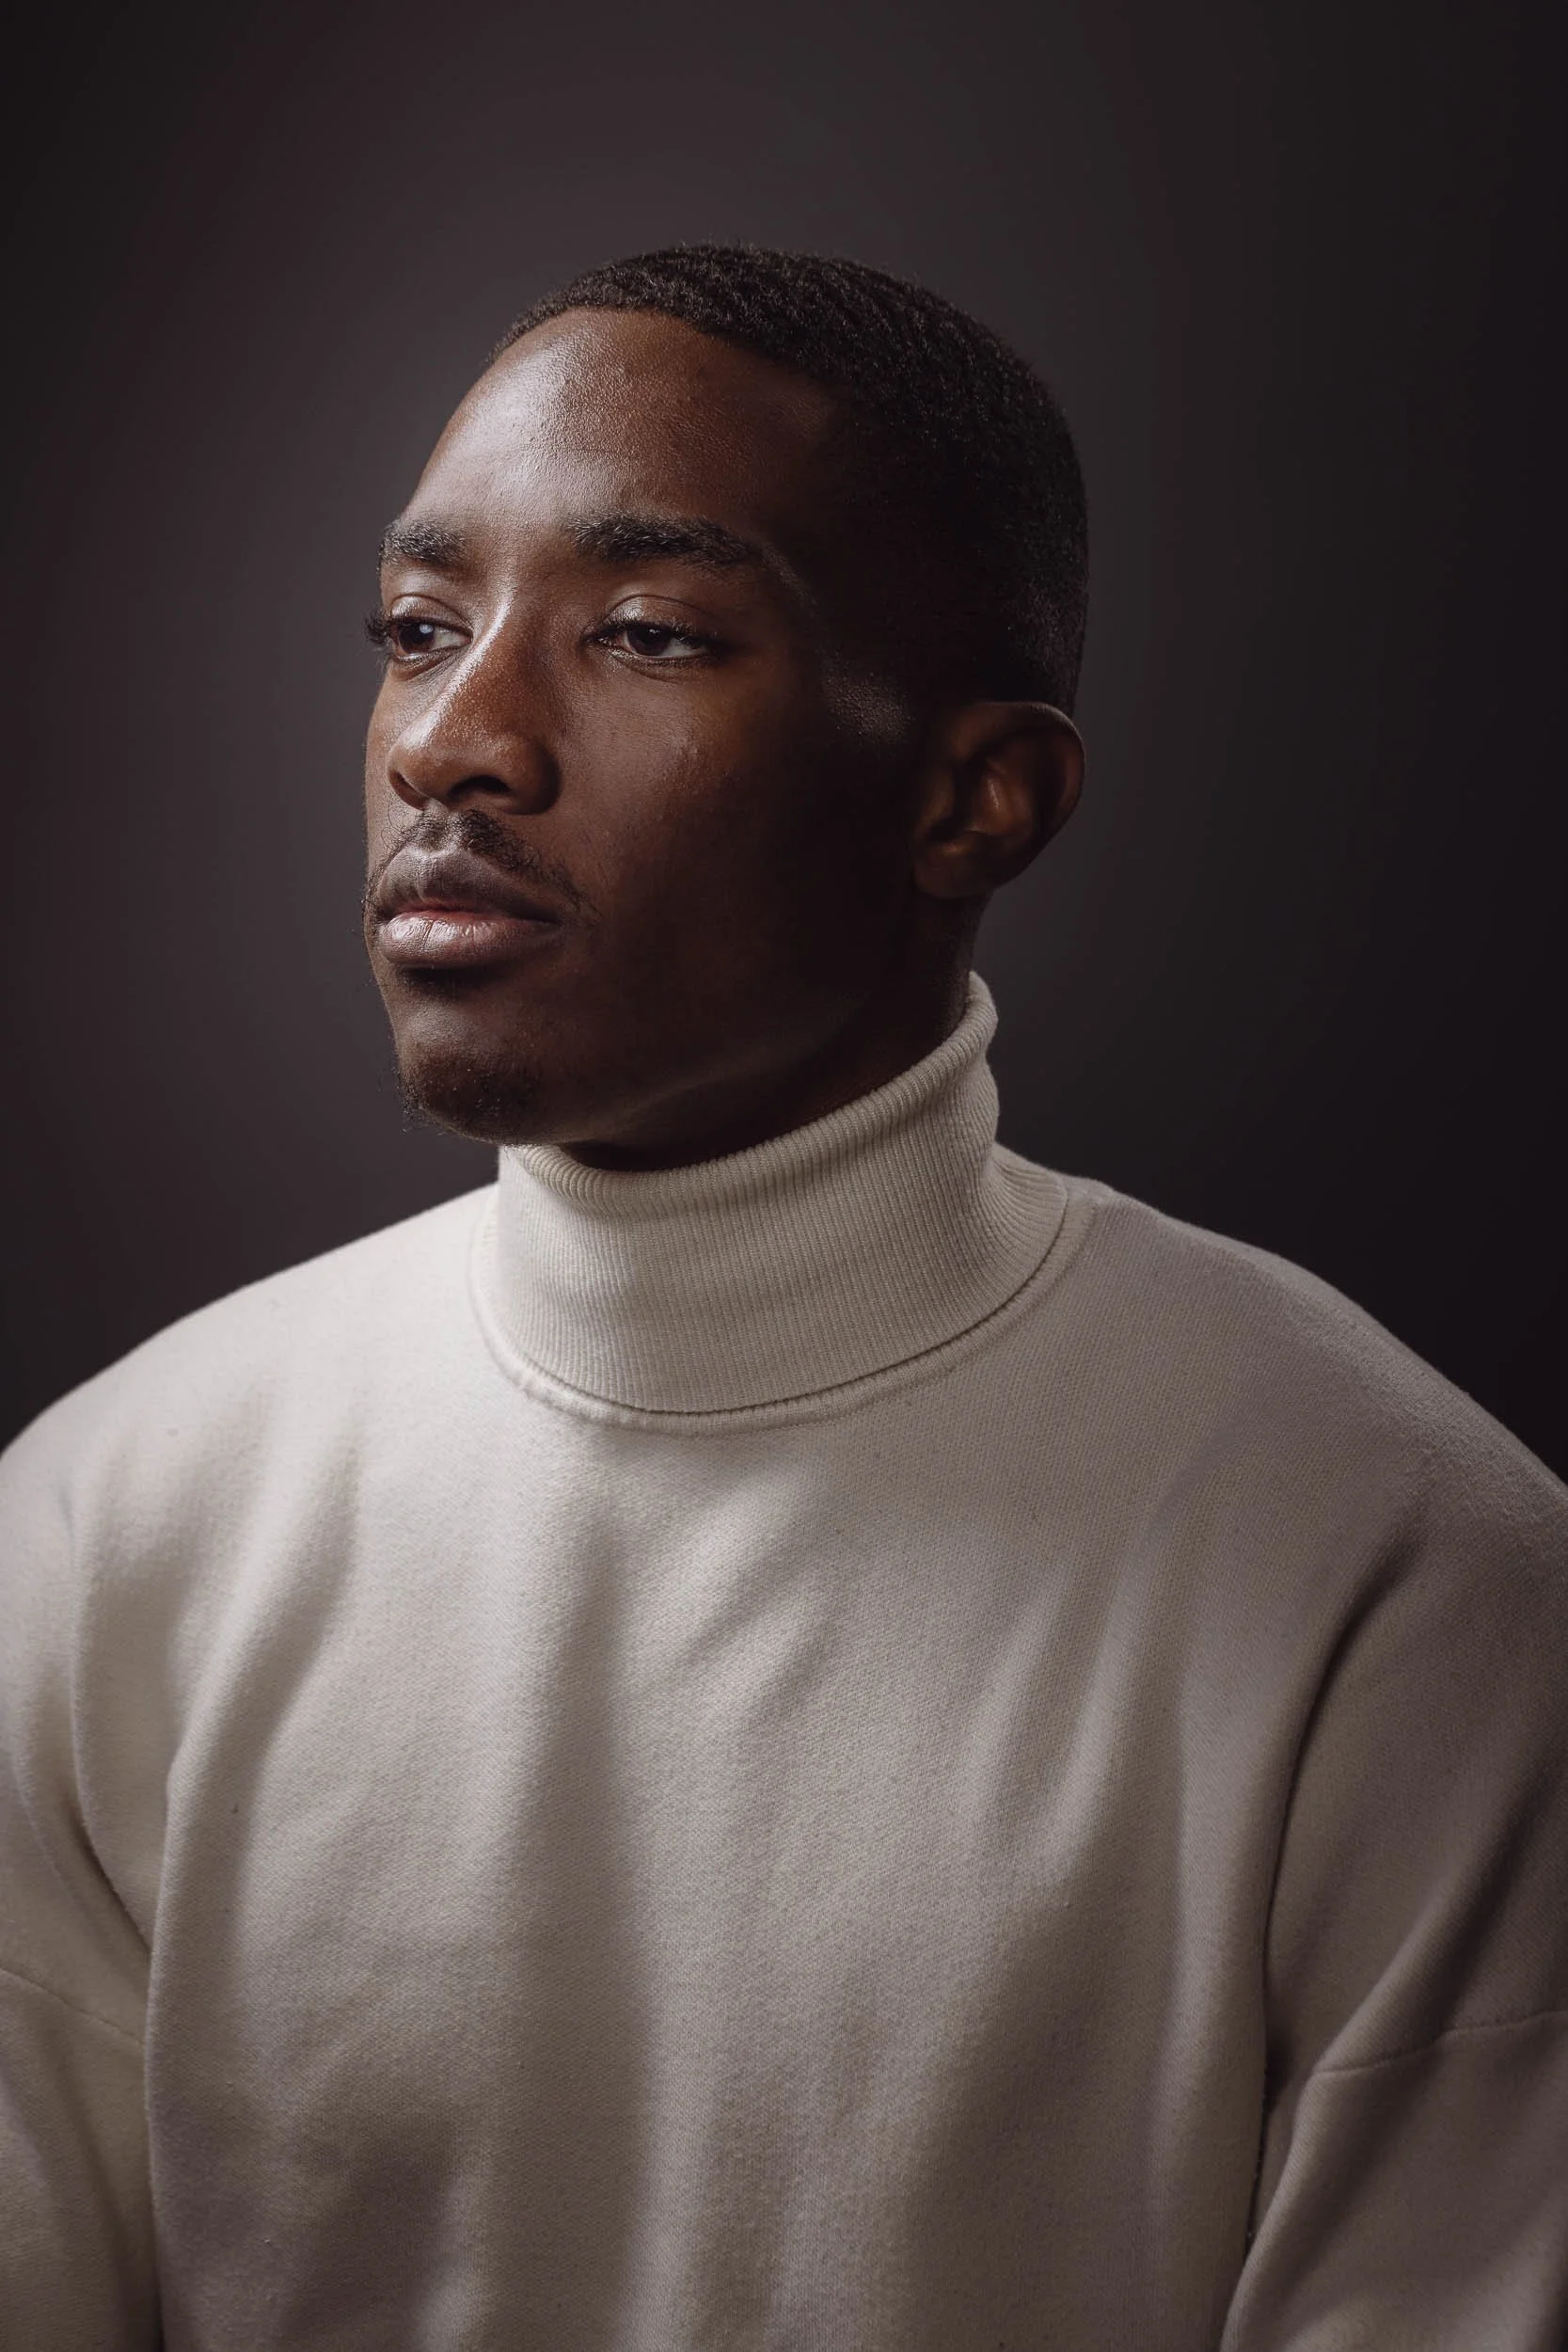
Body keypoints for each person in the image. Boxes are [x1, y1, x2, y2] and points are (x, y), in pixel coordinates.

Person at [1, 245, 1563, 2352]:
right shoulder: (104, 1526)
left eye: (643, 630)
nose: (453, 741)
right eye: (415, 630)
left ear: (970, 795)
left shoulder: (1399, 1575)